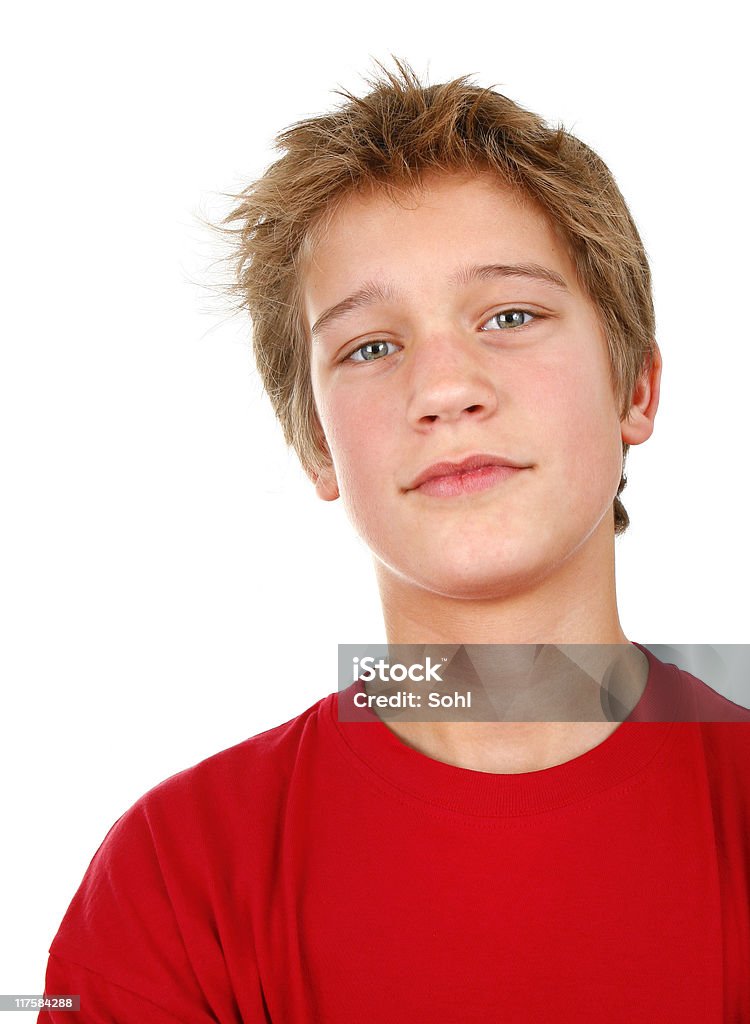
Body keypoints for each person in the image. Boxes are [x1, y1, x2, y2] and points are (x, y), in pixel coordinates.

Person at [38, 58, 750, 1022]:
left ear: (636, 388)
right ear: (317, 449)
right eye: (372, 346)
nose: (445, 389)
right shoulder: (178, 880)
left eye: (511, 315)